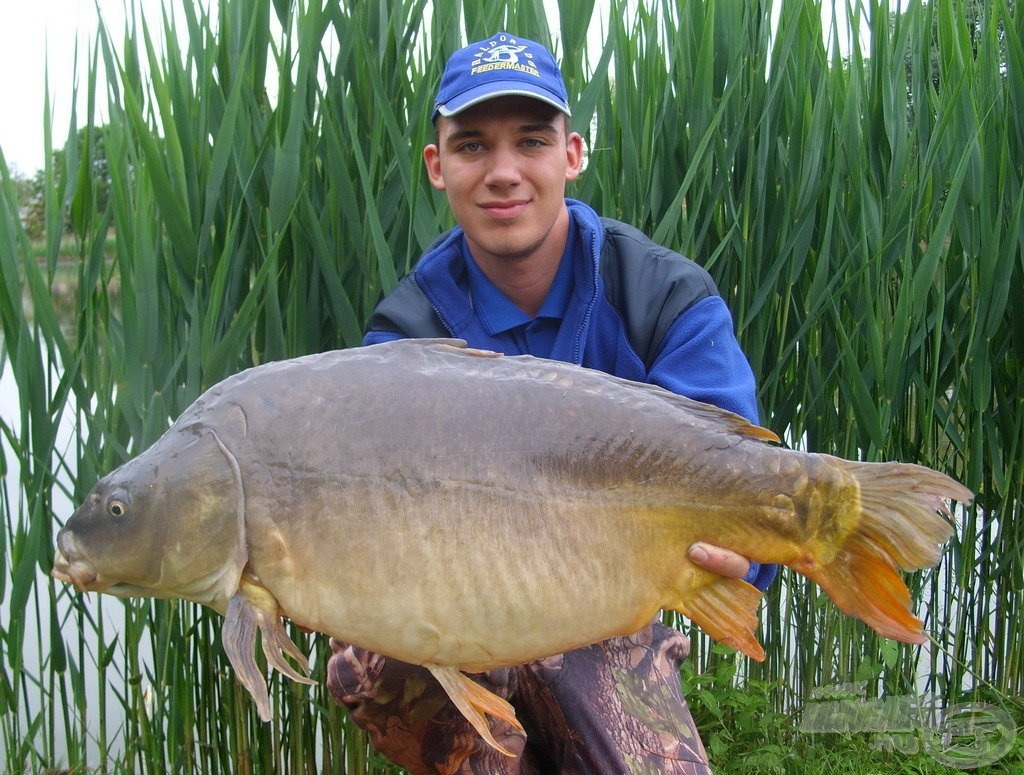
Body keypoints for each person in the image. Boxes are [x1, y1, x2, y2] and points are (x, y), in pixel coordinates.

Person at [326, 31, 777, 774]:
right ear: (438, 167)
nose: (503, 172)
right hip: (461, 596)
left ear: (572, 154)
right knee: (365, 659)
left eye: (530, 140)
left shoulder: (662, 295)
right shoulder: (405, 339)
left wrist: (743, 559)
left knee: (577, 655)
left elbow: (740, 474)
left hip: (610, 599)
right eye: (472, 145)